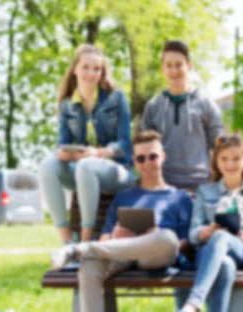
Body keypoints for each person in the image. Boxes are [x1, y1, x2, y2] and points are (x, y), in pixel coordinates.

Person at [50, 130, 193, 312]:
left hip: (156, 255)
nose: (147, 163)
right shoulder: (123, 197)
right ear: (134, 161)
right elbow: (104, 240)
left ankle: (80, 249)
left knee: (167, 238)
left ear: (163, 157)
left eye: (152, 157)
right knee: (89, 266)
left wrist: (153, 237)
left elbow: (187, 242)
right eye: (141, 159)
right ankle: (83, 251)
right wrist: (115, 237)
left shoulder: (180, 197)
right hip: (121, 253)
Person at [39, 44, 133, 243]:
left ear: (102, 72)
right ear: (75, 69)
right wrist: (65, 153)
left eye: (97, 69)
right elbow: (61, 143)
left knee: (86, 165)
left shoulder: (116, 99)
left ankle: (85, 239)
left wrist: (98, 153)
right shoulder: (67, 104)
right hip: (83, 170)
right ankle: (67, 239)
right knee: (48, 164)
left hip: (117, 171)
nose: (91, 73)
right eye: (86, 67)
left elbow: (126, 145)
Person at [180, 134, 243, 312]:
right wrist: (205, 231)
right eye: (224, 159)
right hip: (207, 253)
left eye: (236, 158)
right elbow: (193, 233)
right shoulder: (205, 192)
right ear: (217, 163)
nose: (230, 164)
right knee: (225, 265)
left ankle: (194, 303)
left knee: (222, 236)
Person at [142, 40, 224, 191]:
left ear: (189, 66)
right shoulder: (153, 106)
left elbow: (220, 147)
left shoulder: (205, 103)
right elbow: (145, 151)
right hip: (164, 184)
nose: (174, 70)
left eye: (179, 65)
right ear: (163, 69)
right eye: (169, 65)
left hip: (200, 183)